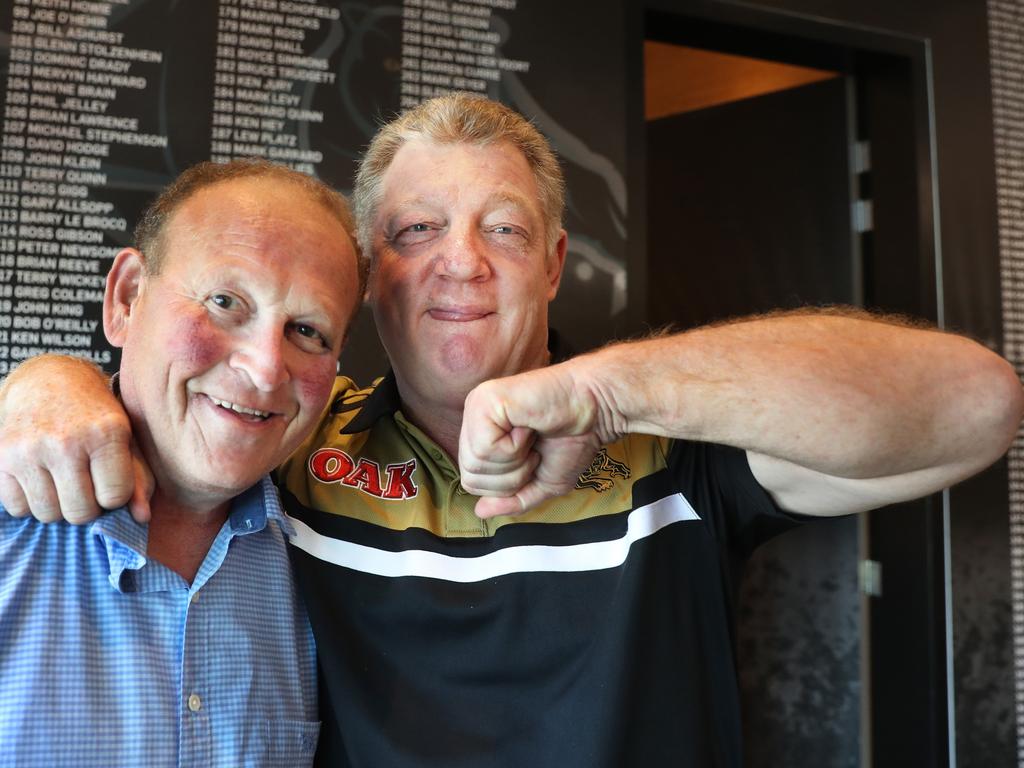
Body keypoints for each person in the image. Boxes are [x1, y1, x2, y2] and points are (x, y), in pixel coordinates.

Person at [1, 94, 1021, 767]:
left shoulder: (669, 447)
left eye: (504, 228)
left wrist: (612, 391)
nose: (462, 262)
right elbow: (182, 406)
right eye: (416, 230)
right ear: (367, 282)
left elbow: (976, 404)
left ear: (554, 262)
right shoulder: (303, 442)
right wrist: (47, 384)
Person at [0, 159, 363, 766]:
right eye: (225, 301)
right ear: (126, 298)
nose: (266, 368)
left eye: (307, 331)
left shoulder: (337, 550)